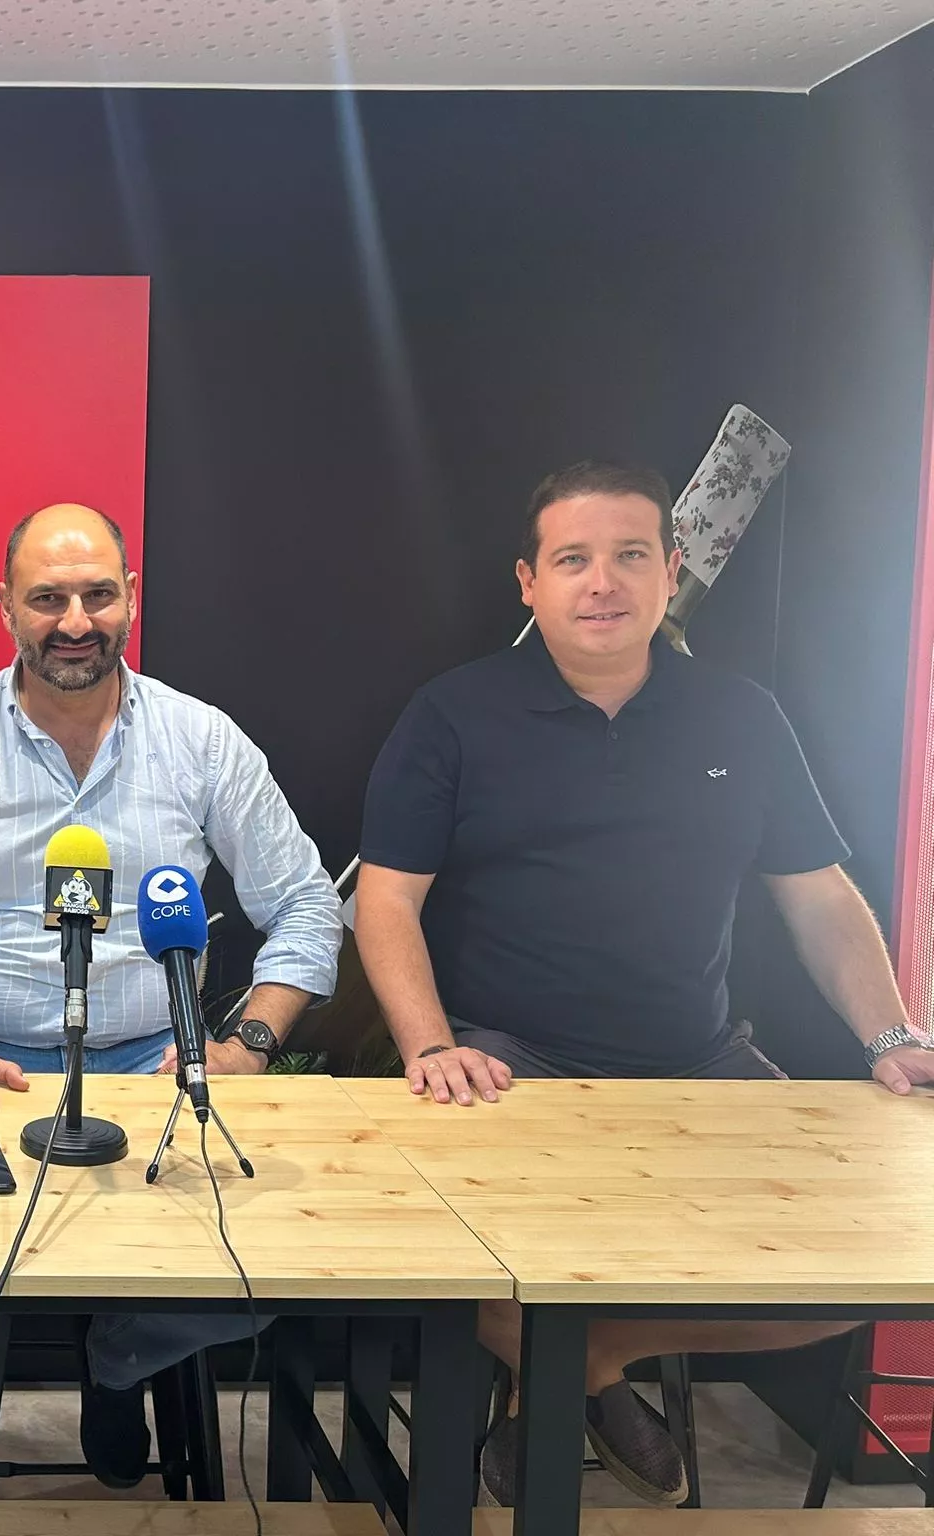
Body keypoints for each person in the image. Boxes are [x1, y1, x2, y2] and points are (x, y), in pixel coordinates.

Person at [354, 459, 934, 1507]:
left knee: (877, 1256)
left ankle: (577, 1363)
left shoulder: (742, 715)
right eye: (572, 560)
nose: (601, 582)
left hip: (694, 1061)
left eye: (628, 556)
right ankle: (581, 1365)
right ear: (527, 582)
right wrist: (430, 1047)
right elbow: (385, 901)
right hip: (501, 1064)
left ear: (670, 572)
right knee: (426, 1245)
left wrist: (888, 1037)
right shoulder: (452, 713)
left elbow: (816, 894)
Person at [0, 503, 343, 1496]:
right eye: (46, 599)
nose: (73, 620)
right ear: (4, 611)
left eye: (95, 595)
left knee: (283, 1265)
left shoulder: (203, 743)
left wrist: (243, 1043)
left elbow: (303, 908)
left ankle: (117, 1347)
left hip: (151, 1072)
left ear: (130, 601)